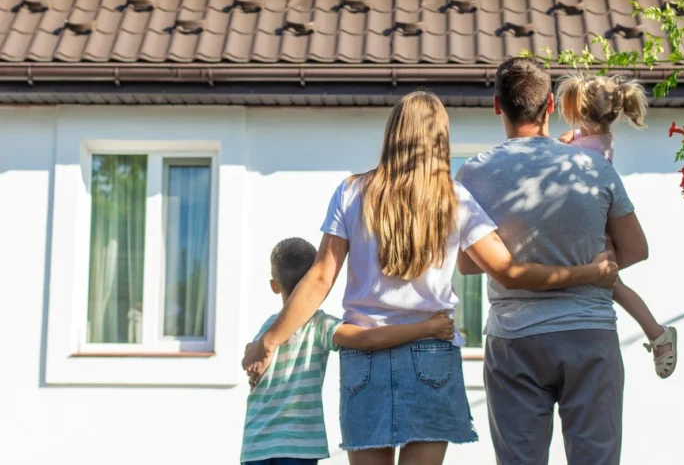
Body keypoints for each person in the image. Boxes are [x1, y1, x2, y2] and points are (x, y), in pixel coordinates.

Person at [243, 90, 618, 465]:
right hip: (431, 353)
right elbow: (509, 272)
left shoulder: (352, 191)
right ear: (440, 138)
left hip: (365, 357)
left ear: (393, 133)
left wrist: (270, 340)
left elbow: (320, 277)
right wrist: (589, 272)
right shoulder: (455, 199)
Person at [457, 58, 650, 465]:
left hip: (515, 340)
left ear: (497, 106)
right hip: (589, 332)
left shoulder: (474, 173)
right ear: (550, 106)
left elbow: (470, 265)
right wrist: (596, 263)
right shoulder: (594, 166)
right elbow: (635, 250)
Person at [241, 237, 456, 465]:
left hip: (255, 446)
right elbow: (367, 338)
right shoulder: (318, 325)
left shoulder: (267, 332)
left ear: (274, 286)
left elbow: (249, 363)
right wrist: (427, 327)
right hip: (296, 447)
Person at [556, 73, 677, 379]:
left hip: (597, 231)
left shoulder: (585, 152)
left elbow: (566, 168)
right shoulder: (600, 141)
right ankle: (657, 333)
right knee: (613, 286)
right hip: (598, 225)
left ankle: (658, 333)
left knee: (609, 284)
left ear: (580, 112)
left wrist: (557, 146)